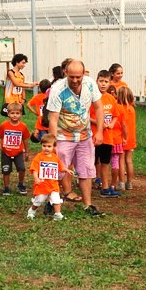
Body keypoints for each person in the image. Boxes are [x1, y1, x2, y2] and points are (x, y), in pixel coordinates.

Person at [46, 59, 105, 217]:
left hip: (85, 135)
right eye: (71, 76)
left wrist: (99, 131)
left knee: (86, 169)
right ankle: (52, 202)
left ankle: (88, 205)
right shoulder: (57, 89)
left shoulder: (90, 84)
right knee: (59, 169)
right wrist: (54, 142)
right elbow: (53, 118)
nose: (75, 80)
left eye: (78, 77)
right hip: (63, 135)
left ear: (83, 74)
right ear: (65, 73)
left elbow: (99, 108)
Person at [27, 134, 74, 221]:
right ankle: (32, 211)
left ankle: (57, 214)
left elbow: (60, 167)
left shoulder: (55, 157)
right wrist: (36, 178)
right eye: (44, 146)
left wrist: (67, 170)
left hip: (53, 184)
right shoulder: (39, 157)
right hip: (42, 184)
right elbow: (34, 169)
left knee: (56, 199)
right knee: (39, 200)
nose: (46, 148)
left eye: (49, 146)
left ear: (54, 147)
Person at [90, 70, 121, 198]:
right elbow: (86, 116)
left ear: (110, 83)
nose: (103, 84)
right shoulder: (92, 97)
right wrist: (98, 123)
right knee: (90, 161)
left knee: (105, 162)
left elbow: (115, 115)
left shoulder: (111, 99)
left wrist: (112, 123)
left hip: (108, 137)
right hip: (94, 136)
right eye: (101, 81)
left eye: (106, 82)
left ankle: (105, 187)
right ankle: (85, 185)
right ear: (96, 81)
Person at [0, 102, 31, 195]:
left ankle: (20, 184)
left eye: (17, 113)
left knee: (22, 168)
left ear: (21, 114)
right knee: (6, 170)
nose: (15, 115)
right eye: (12, 113)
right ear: (8, 113)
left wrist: (26, 152)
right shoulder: (4, 125)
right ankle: (6, 187)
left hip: (18, 152)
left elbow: (25, 139)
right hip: (6, 152)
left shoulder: (23, 126)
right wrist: (4, 148)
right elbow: (1, 136)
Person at [108, 85, 128, 192]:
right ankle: (113, 184)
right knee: (115, 162)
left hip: (106, 138)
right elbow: (124, 124)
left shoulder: (103, 106)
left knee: (104, 163)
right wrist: (125, 137)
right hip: (117, 139)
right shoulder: (120, 107)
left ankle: (102, 182)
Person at [117, 86, 136, 190]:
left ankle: (121, 183)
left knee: (121, 160)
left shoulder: (118, 108)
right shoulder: (132, 109)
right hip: (131, 138)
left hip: (122, 137)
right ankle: (130, 182)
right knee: (129, 160)